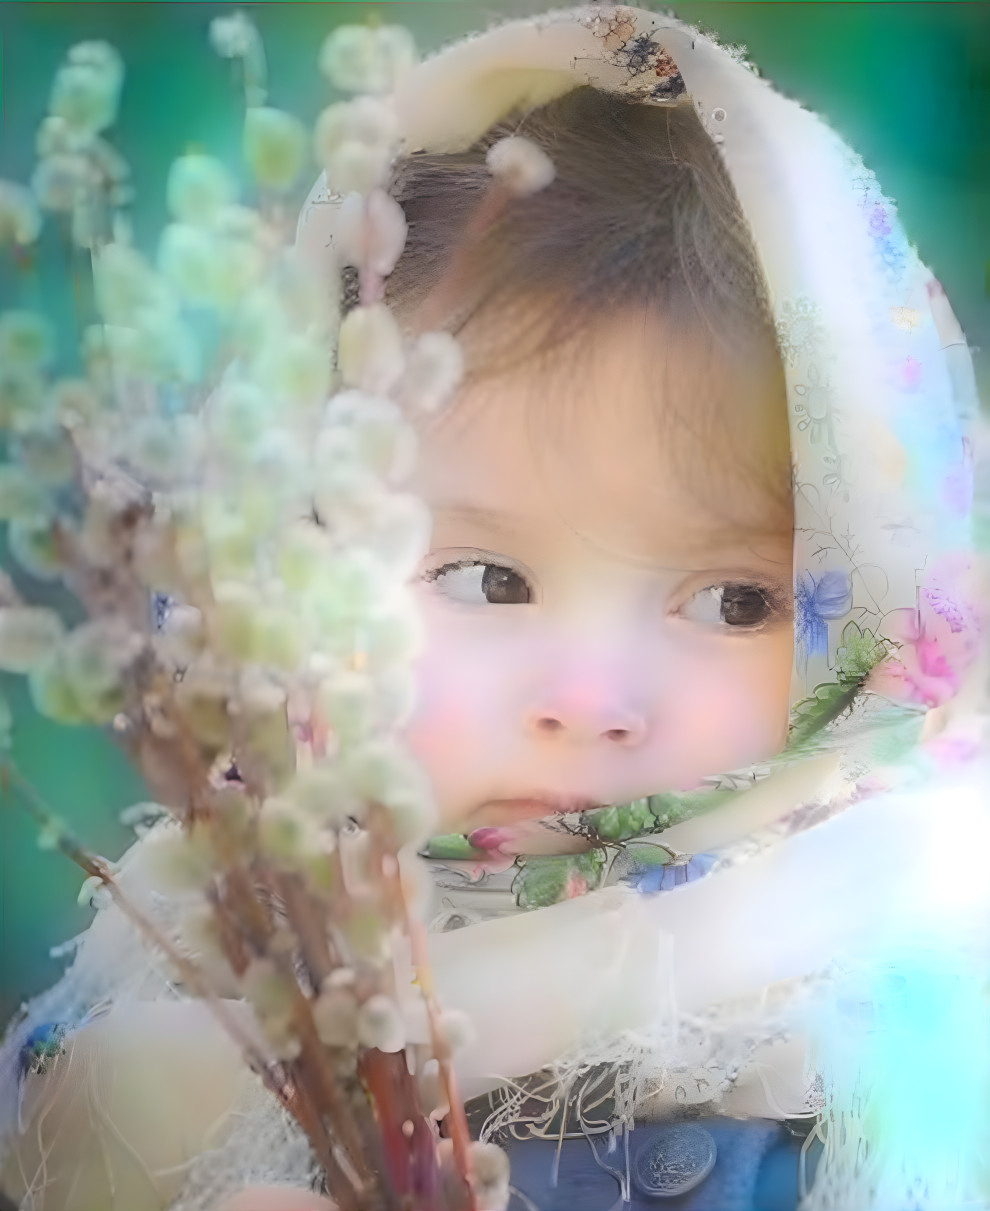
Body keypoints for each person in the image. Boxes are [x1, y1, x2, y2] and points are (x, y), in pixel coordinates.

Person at [2, 6, 986, 1210]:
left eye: (734, 599)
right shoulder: (175, 1022)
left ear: (887, 625)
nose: (589, 699)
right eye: (483, 580)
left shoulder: (897, 1055)